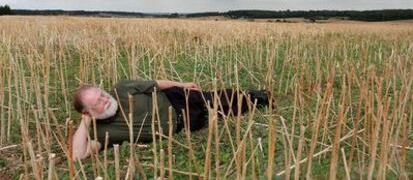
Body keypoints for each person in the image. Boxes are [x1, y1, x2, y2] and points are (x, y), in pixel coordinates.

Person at [72, 79, 270, 160]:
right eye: (98, 101)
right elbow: (78, 156)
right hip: (182, 124)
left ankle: (254, 97)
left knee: (216, 98)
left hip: (174, 98)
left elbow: (155, 83)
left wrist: (183, 84)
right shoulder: (102, 133)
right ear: (88, 113)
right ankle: (250, 102)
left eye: (102, 94)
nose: (106, 99)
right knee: (220, 114)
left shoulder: (122, 88)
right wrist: (84, 123)